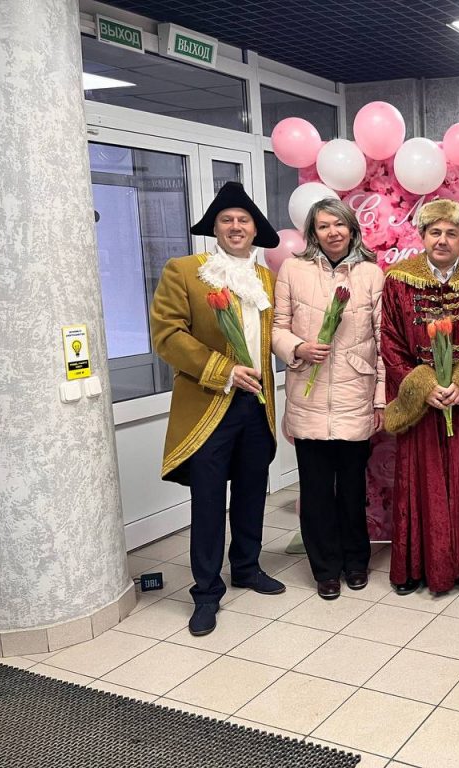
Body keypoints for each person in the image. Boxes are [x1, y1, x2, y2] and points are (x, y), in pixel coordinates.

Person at [150, 182, 285, 637]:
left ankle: (246, 566)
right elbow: (167, 335)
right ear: (215, 228)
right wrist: (223, 370)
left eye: (243, 220)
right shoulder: (185, 271)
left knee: (251, 491)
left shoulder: (267, 278)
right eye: (227, 220)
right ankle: (206, 592)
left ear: (255, 230)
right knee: (208, 501)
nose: (235, 226)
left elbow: (273, 335)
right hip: (209, 403)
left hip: (256, 405)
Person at [381, 199, 459, 595]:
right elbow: (390, 340)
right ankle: (418, 567)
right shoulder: (399, 279)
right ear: (422, 236)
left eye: (451, 233)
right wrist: (424, 385)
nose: (442, 240)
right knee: (424, 485)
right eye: (434, 232)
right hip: (424, 403)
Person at [272, 198, 384, 601]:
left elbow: (383, 342)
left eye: (339, 224)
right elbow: (277, 328)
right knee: (317, 492)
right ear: (313, 233)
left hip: (356, 394)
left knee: (352, 490)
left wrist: (380, 401)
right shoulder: (293, 270)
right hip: (309, 392)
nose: (332, 232)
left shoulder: (371, 273)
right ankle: (325, 569)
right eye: (323, 226)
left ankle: (356, 562)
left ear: (352, 229)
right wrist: (298, 347)